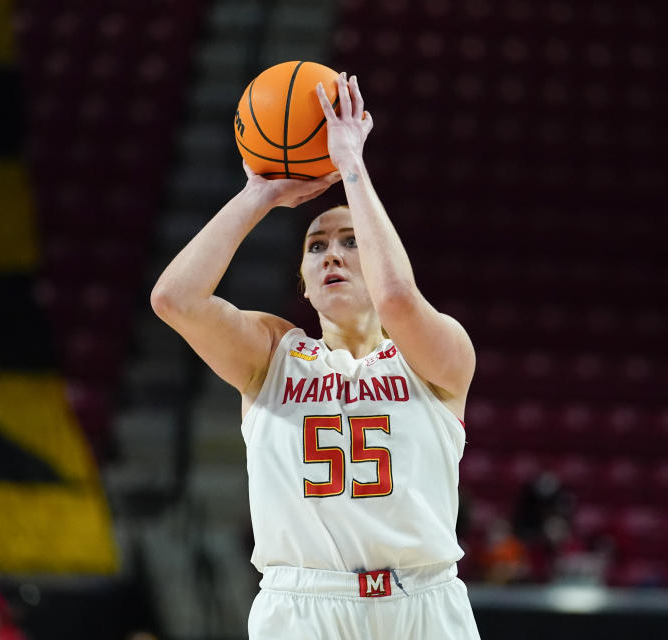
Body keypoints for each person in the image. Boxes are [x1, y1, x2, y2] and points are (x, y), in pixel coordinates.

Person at [152, 72, 480, 639]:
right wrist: (260, 193)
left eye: (352, 241)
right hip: (303, 609)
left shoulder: (439, 354)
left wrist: (351, 163)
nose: (333, 254)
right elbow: (174, 299)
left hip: (424, 602)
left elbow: (398, 299)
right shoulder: (273, 355)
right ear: (302, 282)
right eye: (317, 246)